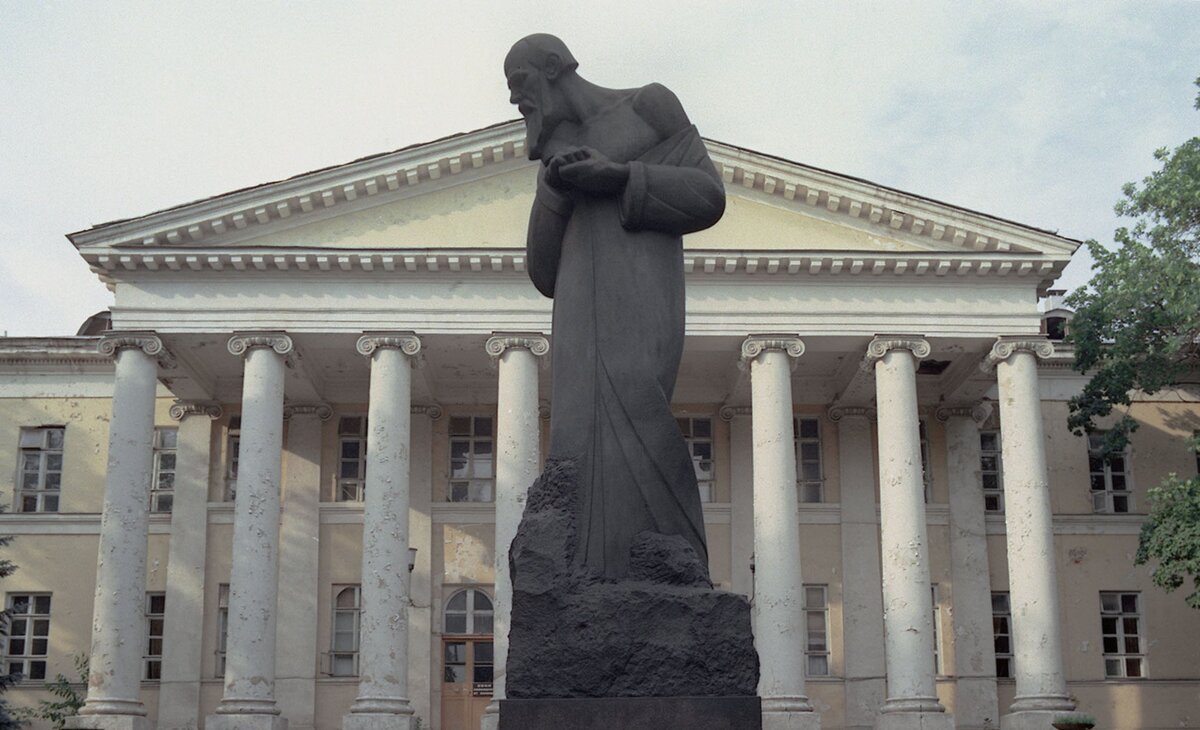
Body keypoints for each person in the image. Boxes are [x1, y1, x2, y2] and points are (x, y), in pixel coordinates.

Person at [505, 34, 726, 579]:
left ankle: (667, 566)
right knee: (574, 441)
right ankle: (584, 581)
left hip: (641, 301)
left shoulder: (648, 105)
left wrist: (619, 177)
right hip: (578, 319)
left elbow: (708, 195)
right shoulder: (554, 158)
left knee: (638, 405)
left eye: (520, 83)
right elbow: (542, 271)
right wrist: (555, 192)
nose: (515, 100)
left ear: (553, 67)